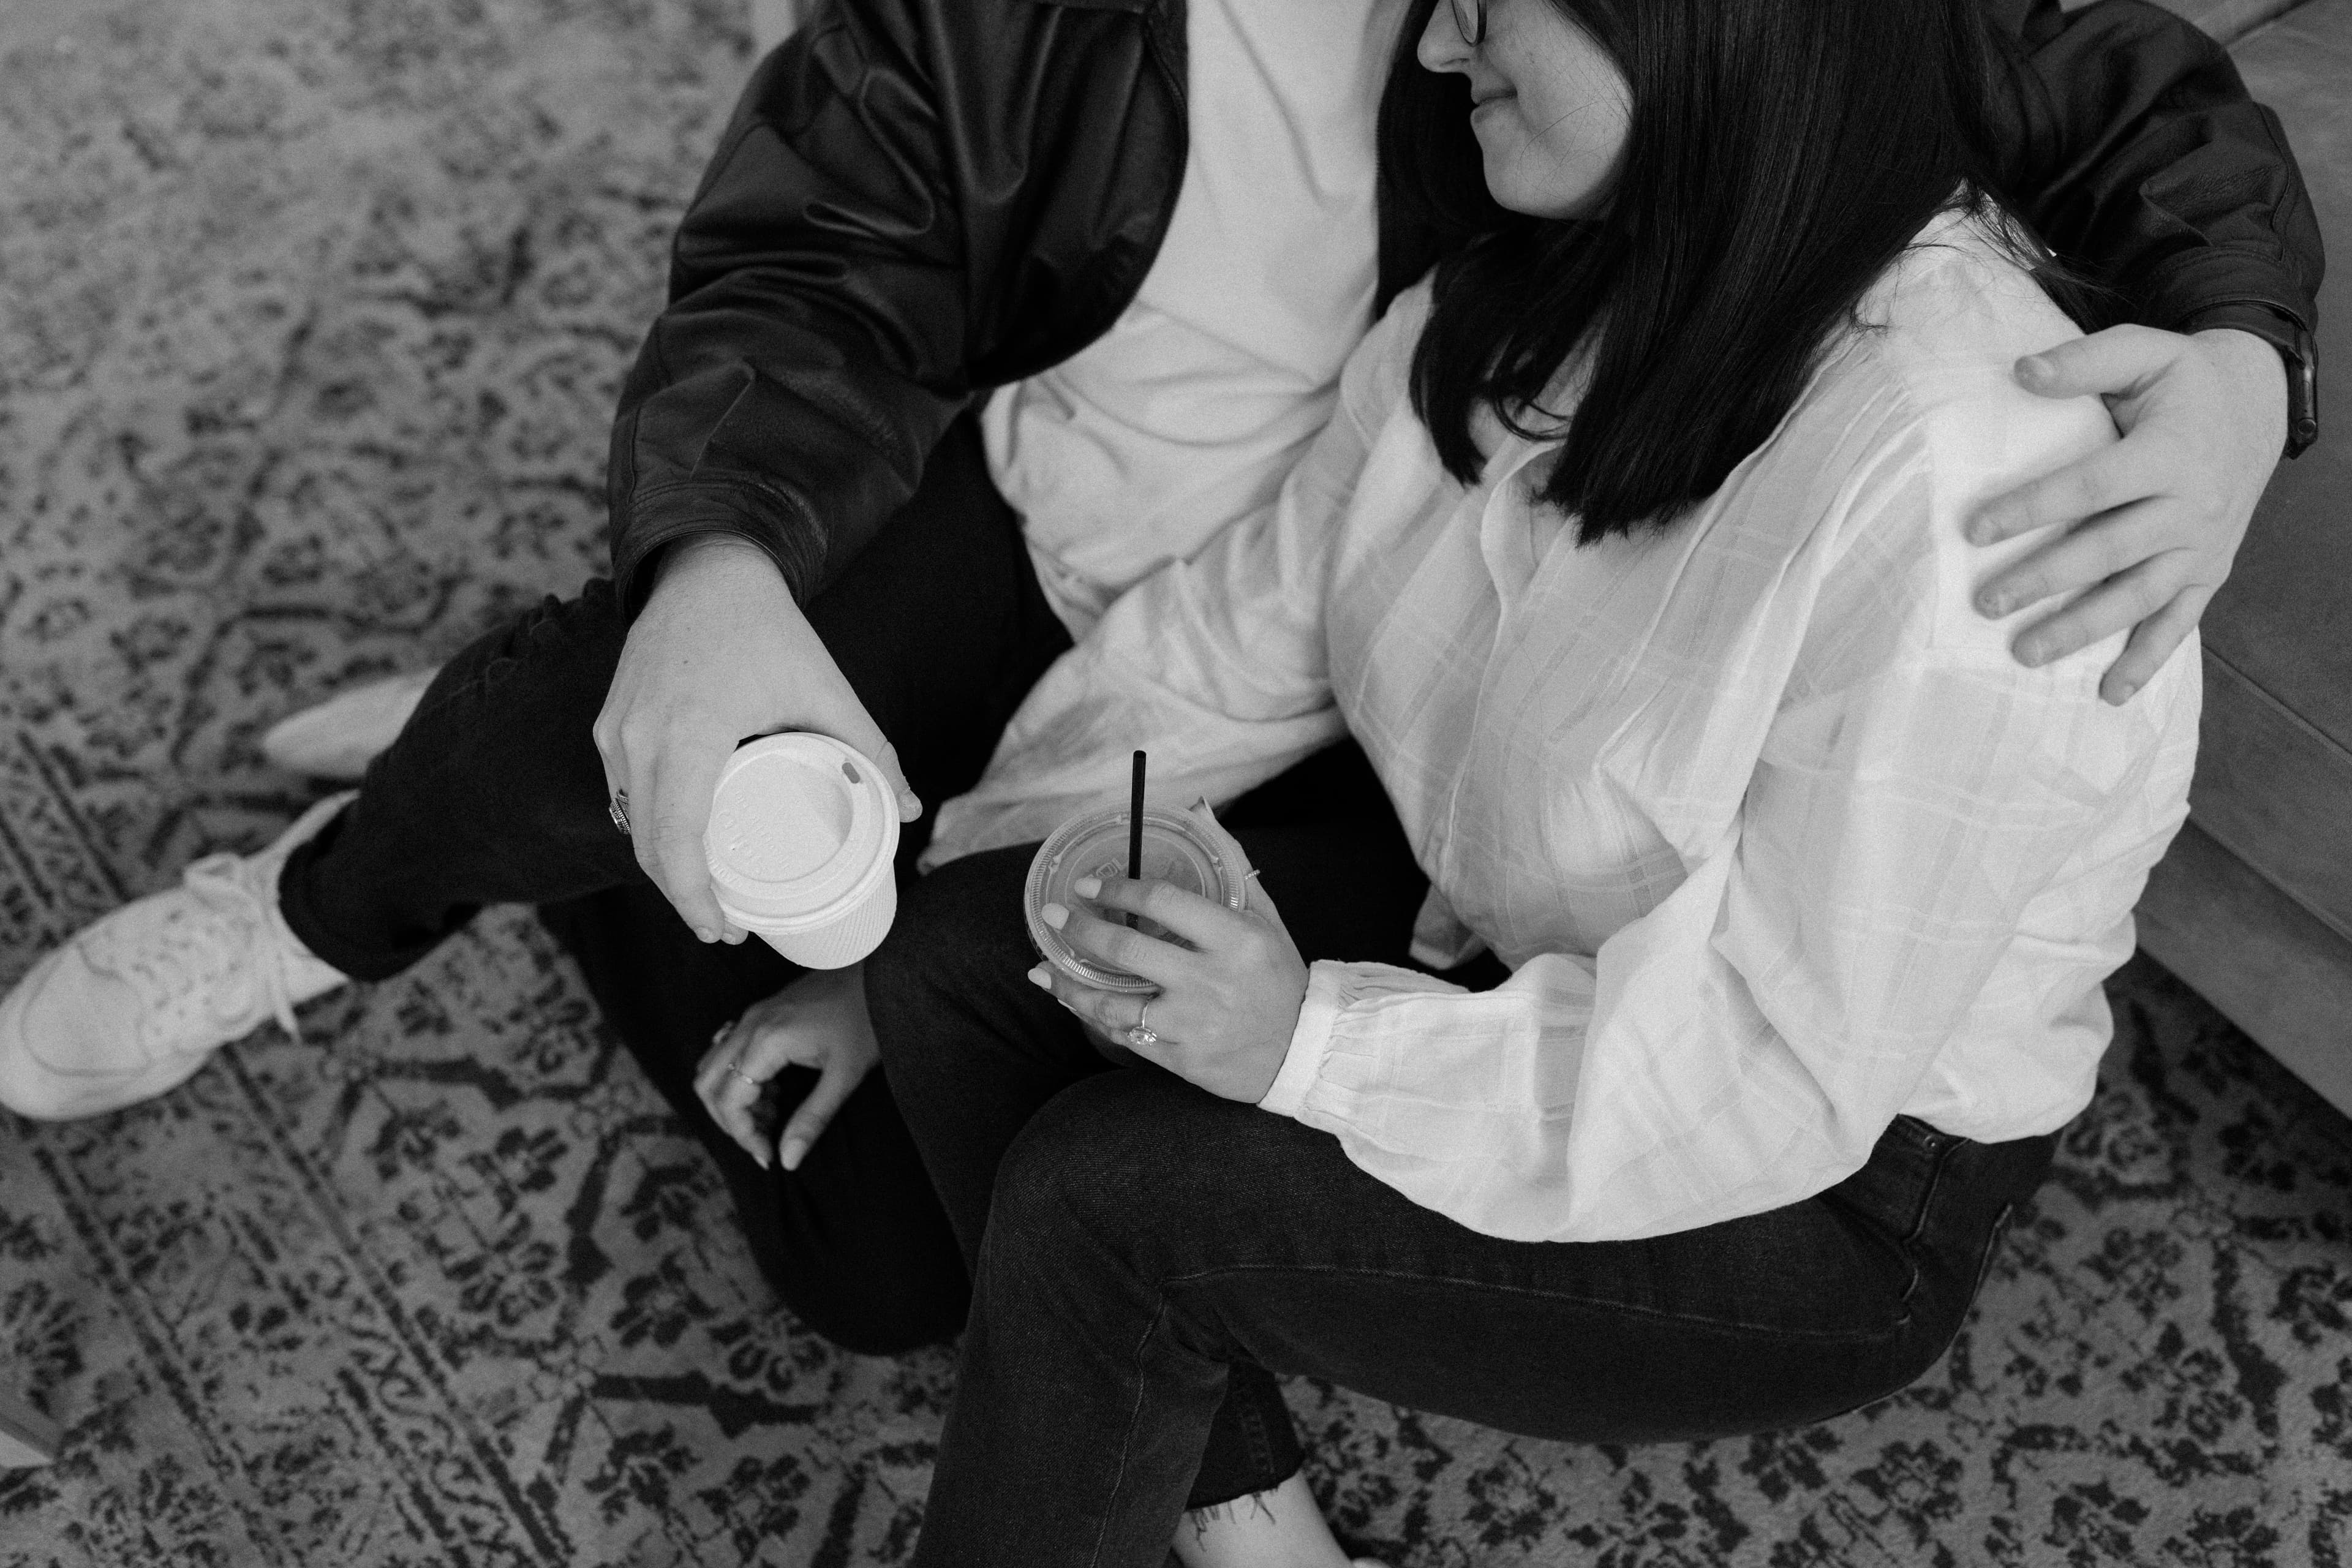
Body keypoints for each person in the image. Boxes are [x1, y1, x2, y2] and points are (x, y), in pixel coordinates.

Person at [0, 0, 2318, 1364]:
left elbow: (2070, 69)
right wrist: (715, 575)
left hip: (1428, 648)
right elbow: (808, 256)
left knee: (896, 1267)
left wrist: (2233, 351)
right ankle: (328, 899)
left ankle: (650, 856)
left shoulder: (1577, 48)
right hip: (1065, 527)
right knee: (637, 678)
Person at [862, 0, 2208, 1561]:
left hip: (1821, 1169)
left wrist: (1303, 1042)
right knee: (971, 953)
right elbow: (1244, 626)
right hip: (1515, 930)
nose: (1436, 45)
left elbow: (1767, 1067)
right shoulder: (1553, 268)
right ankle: (1259, 1528)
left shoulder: (1975, 488)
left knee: (1103, 1193)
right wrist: (966, 868)